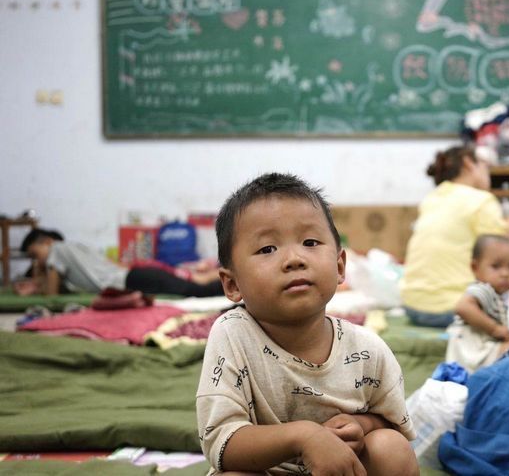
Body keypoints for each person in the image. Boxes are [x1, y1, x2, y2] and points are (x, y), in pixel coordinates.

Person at [196, 173, 418, 476]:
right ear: (232, 284)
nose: (294, 259)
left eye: (310, 242)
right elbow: (221, 441)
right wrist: (304, 436)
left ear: (340, 266)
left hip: (344, 468)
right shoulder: (232, 335)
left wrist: (362, 425)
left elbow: (393, 421)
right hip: (266, 469)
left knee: (390, 447)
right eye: (267, 249)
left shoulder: (367, 350)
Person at [400, 144, 509, 327]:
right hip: (454, 309)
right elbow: (500, 249)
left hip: (411, 306)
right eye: (486, 167)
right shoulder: (481, 200)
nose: (489, 174)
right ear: (468, 163)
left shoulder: (432, 198)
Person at [20, 228, 223, 296]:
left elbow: (51, 294)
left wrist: (39, 273)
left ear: (47, 242)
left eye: (35, 254)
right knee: (197, 285)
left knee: (197, 290)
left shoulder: (57, 250)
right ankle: (235, 277)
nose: (36, 260)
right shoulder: (74, 248)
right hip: (138, 275)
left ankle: (239, 282)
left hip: (135, 279)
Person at [446, 235, 509, 372]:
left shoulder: (496, 295)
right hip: (473, 354)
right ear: (475, 267)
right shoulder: (483, 289)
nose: (505, 273)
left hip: (481, 350)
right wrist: (494, 329)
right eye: (496, 266)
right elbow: (462, 307)